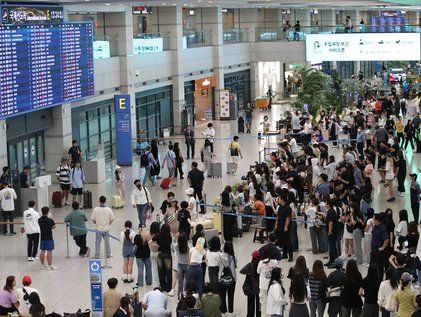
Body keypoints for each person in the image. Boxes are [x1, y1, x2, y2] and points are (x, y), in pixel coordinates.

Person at [240, 251, 261, 317]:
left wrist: (248, 273)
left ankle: (250, 315)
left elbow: (241, 271)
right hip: (259, 287)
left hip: (251, 287)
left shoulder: (250, 264)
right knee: (259, 303)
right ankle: (258, 315)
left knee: (250, 303)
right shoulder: (261, 264)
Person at [153, 224, 173, 292]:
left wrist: (158, 246)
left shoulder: (158, 236)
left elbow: (150, 241)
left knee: (161, 271)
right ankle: (169, 288)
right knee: (168, 272)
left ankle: (163, 286)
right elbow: (170, 243)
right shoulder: (169, 237)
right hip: (167, 255)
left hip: (160, 255)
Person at [219, 241, 237, 316]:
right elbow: (236, 265)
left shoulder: (220, 255)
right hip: (232, 277)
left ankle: (223, 311)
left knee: (222, 295)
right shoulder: (233, 256)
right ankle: (230, 311)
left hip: (222, 277)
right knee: (231, 295)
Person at [371, 213, 389, 280]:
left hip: (379, 251)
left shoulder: (383, 228)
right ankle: (374, 278)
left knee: (379, 266)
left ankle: (379, 280)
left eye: (373, 218)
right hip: (373, 249)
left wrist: (382, 247)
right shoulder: (375, 226)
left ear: (377, 220)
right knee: (373, 264)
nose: (372, 220)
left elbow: (386, 239)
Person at [275, 193, 293, 262]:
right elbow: (278, 216)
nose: (278, 200)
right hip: (279, 226)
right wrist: (276, 224)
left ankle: (290, 256)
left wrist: (286, 226)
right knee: (282, 241)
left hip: (285, 228)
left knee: (287, 242)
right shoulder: (280, 207)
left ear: (282, 199)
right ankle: (284, 254)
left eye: (279, 199)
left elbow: (288, 218)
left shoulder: (288, 208)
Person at [324, 199, 339, 267]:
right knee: (332, 246)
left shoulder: (330, 212)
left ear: (328, 204)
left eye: (326, 203)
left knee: (332, 247)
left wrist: (329, 232)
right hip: (334, 231)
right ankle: (333, 260)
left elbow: (331, 223)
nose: (325, 205)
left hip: (331, 232)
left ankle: (333, 261)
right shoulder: (332, 211)